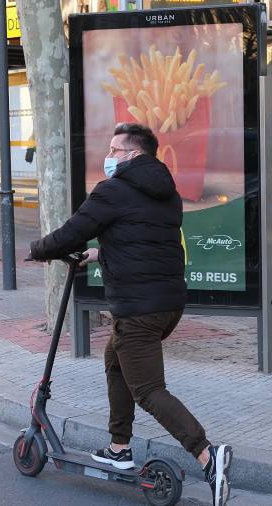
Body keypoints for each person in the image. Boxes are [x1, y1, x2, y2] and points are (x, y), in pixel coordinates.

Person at [28, 123, 233, 506]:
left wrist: (39, 249)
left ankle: (208, 455)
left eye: (113, 150)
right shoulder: (167, 193)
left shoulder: (112, 191)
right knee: (115, 362)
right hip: (168, 304)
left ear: (133, 155)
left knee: (149, 390)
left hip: (138, 309)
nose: (108, 157)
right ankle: (119, 449)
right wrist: (97, 254)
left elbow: (72, 232)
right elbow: (142, 241)